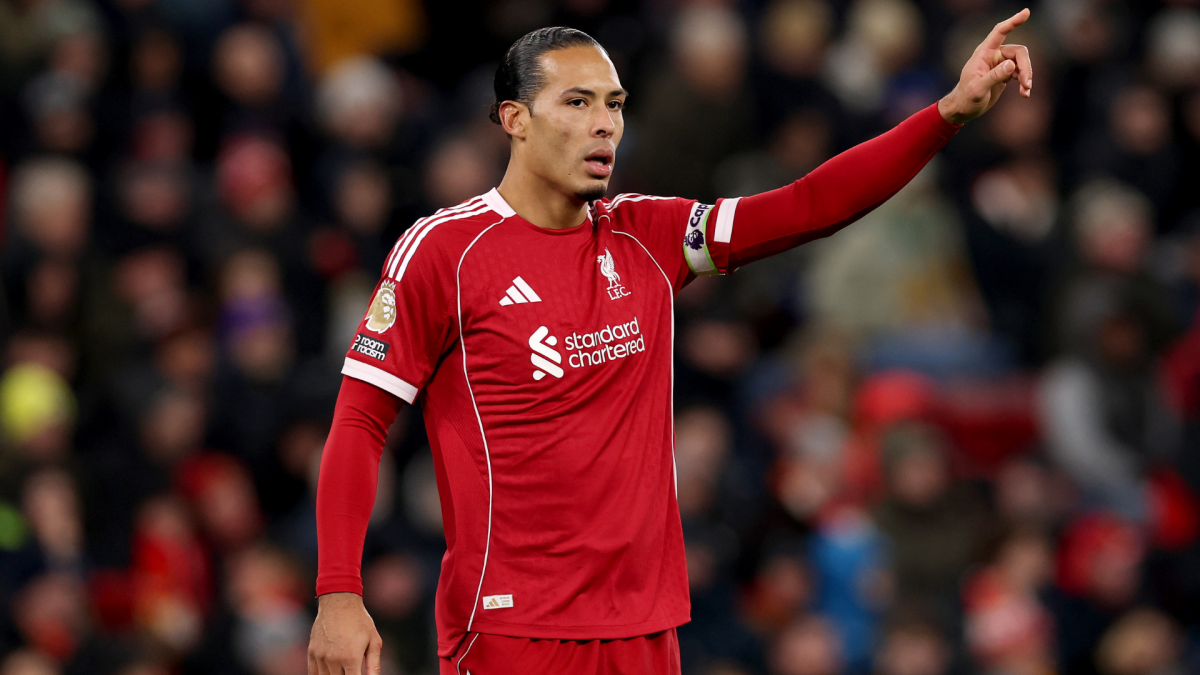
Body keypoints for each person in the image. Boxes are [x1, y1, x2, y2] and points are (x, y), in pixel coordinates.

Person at [308, 13, 1034, 675]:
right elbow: (359, 421)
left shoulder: (649, 236)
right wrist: (339, 592)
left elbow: (809, 205)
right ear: (515, 119)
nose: (604, 125)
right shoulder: (445, 252)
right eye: (577, 102)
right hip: (513, 629)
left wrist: (947, 114)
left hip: (646, 628)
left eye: (615, 104)